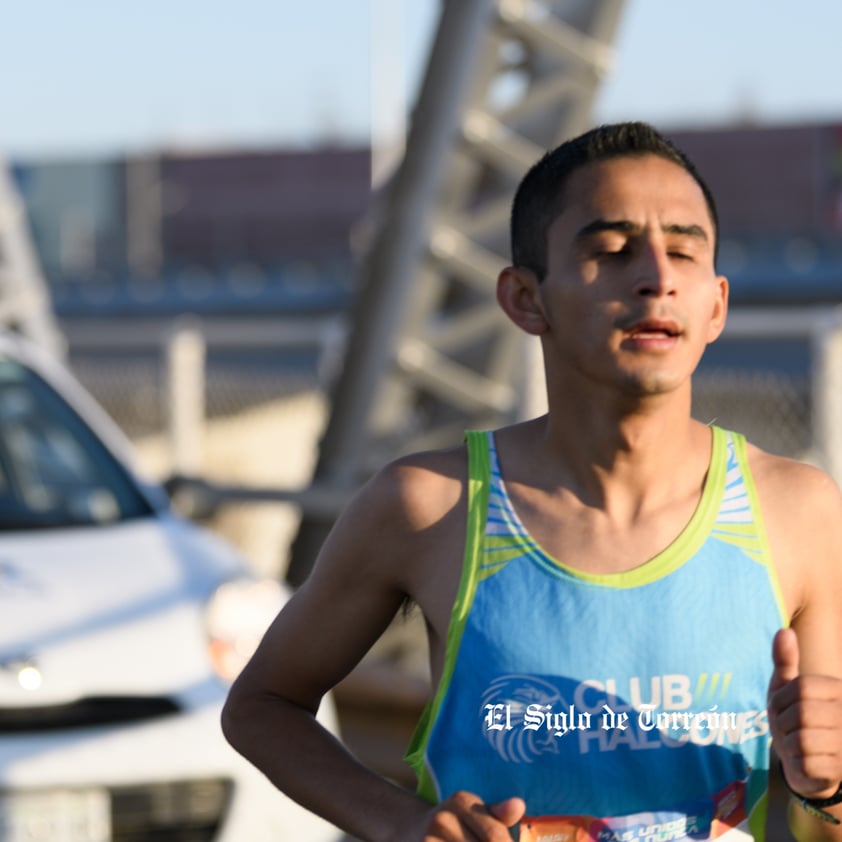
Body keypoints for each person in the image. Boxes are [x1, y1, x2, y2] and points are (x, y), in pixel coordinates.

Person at [221, 121, 842, 841]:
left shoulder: (798, 509)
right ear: (525, 298)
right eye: (611, 250)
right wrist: (406, 825)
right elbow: (261, 706)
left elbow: (823, 819)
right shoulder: (429, 506)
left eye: (683, 250)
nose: (657, 276)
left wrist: (829, 786)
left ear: (716, 306)